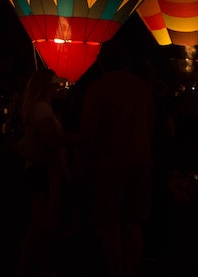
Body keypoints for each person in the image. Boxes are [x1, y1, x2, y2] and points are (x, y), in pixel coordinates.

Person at [75, 41, 156, 277]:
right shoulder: (142, 88)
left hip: (109, 166)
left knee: (110, 226)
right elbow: (151, 123)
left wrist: (82, 157)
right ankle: (133, 270)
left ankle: (116, 271)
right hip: (140, 163)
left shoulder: (98, 89)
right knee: (133, 223)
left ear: (101, 63)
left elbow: (88, 130)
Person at [16, 67, 69, 277]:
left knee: (40, 224)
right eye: (55, 84)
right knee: (41, 223)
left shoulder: (37, 109)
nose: (59, 87)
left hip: (38, 169)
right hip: (44, 170)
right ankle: (29, 267)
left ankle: (36, 266)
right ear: (46, 87)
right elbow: (51, 141)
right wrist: (73, 139)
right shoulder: (43, 110)